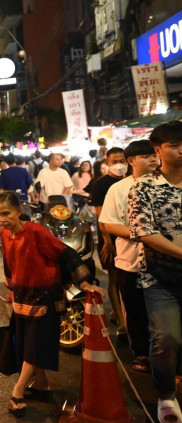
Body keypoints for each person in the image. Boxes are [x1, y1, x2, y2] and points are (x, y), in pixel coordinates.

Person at [0, 191, 104, 417]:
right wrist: (11, 290)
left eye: (6, 213)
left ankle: (18, 391)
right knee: (27, 344)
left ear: (17, 211)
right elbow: (8, 263)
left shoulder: (35, 231)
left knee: (34, 346)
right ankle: (42, 384)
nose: (1, 218)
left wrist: (83, 283)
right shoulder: (4, 232)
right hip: (22, 297)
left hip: (45, 297)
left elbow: (66, 253)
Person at [128, 121, 182, 422]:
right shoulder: (144, 187)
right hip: (159, 278)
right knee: (166, 337)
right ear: (158, 150)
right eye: (174, 144)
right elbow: (144, 232)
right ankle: (165, 396)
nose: (181, 149)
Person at [99, 140, 157, 373]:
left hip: (163, 261)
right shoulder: (118, 189)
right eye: (146, 156)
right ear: (131, 161)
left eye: (154, 155)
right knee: (134, 310)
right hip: (130, 261)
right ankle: (142, 353)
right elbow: (108, 223)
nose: (153, 159)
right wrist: (145, 235)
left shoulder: (166, 184)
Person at [89, 147, 128, 336]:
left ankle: (121, 314)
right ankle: (121, 321)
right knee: (114, 278)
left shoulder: (132, 181)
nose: (119, 165)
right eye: (115, 161)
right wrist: (107, 241)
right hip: (110, 238)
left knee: (127, 280)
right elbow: (101, 216)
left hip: (130, 237)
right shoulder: (100, 185)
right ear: (107, 162)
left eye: (123, 160)